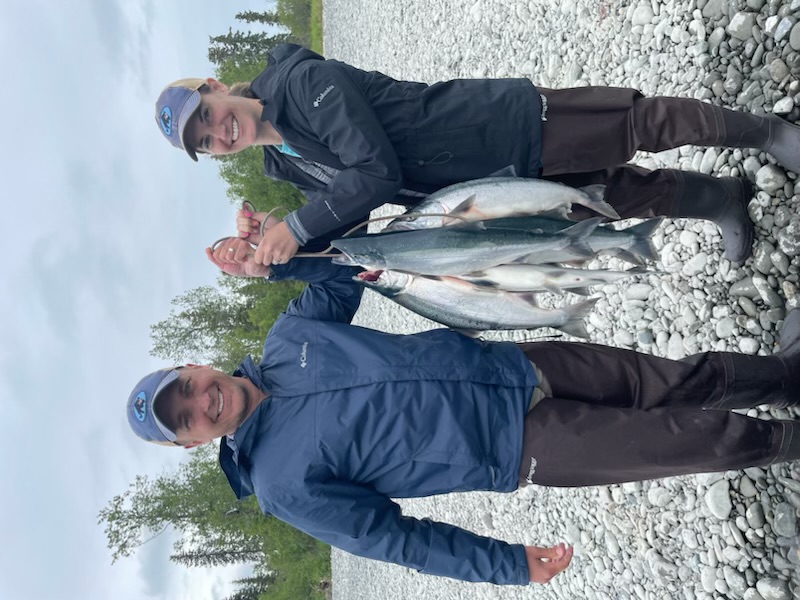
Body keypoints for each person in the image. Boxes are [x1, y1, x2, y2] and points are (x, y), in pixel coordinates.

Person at [127, 241, 800, 586]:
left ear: (194, 367)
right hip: (517, 446)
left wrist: (273, 264)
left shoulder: (289, 341)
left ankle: (789, 375)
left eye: (185, 388)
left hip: (512, 366)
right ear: (193, 443)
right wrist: (505, 565)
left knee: (678, 378)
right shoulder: (279, 485)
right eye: (185, 419)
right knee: (686, 439)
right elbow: (395, 540)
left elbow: (341, 272)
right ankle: (789, 440)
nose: (199, 403)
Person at [155, 44, 800, 265]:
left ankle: (766, 133)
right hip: (487, 193)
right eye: (204, 142)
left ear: (214, 88)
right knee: (612, 197)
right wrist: (278, 247)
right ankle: (721, 199)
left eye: (206, 117)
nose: (218, 133)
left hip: (498, 127)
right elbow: (348, 230)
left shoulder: (299, 84)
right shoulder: (287, 164)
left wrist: (295, 226)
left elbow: (374, 172)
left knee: (638, 124)